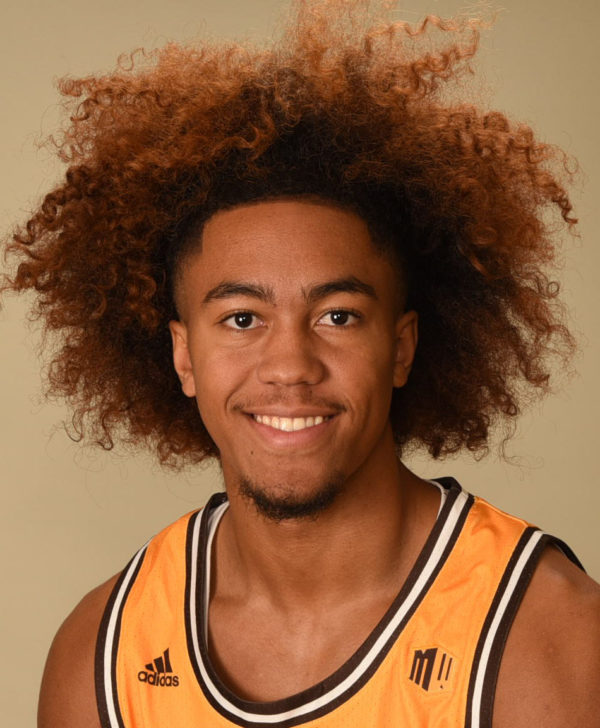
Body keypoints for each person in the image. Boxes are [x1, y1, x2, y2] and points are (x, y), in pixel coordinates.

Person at [2, 1, 599, 726]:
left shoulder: (551, 639)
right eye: (242, 319)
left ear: (402, 347)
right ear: (184, 356)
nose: (290, 366)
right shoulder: (102, 660)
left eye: (337, 316)